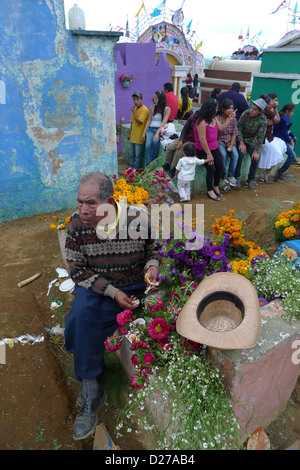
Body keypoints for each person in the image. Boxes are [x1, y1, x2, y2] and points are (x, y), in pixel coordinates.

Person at [64, 172, 161, 440]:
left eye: (91, 203)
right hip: (100, 288)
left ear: (109, 201)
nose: (83, 209)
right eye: (80, 201)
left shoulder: (137, 218)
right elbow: (77, 270)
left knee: (165, 314)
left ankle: (81, 340)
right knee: (81, 316)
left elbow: (154, 248)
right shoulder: (76, 226)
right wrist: (112, 291)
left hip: (136, 287)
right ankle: (92, 386)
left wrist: (152, 266)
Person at [194, 98, 237, 201]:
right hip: (203, 150)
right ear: (211, 109)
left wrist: (229, 120)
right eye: (216, 108)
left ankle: (216, 186)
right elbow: (202, 139)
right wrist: (209, 155)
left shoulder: (214, 118)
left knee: (220, 167)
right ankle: (209, 190)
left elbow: (221, 128)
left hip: (214, 147)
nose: (217, 110)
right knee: (211, 169)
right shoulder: (201, 122)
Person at [235, 98, 268, 189]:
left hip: (252, 141)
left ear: (260, 111)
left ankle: (250, 180)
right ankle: (237, 177)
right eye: (252, 108)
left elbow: (260, 136)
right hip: (241, 138)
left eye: (254, 109)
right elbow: (238, 128)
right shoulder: (245, 114)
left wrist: (256, 151)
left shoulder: (263, 120)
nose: (251, 110)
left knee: (255, 158)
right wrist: (241, 142)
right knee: (240, 154)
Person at [163, 109, 201, 177]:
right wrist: (180, 140)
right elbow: (185, 129)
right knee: (169, 147)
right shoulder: (192, 117)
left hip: (192, 142)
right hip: (185, 138)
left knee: (180, 151)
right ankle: (167, 164)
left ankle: (174, 169)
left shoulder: (203, 122)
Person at [257, 93, 285, 184]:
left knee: (281, 147)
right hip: (264, 138)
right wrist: (276, 109)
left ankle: (266, 174)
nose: (274, 102)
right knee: (276, 152)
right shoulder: (266, 111)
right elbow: (277, 120)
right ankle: (266, 174)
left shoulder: (268, 110)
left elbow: (274, 121)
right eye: (273, 101)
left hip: (269, 137)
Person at [142, 91, 171, 166]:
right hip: (151, 129)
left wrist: (157, 133)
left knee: (155, 143)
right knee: (148, 145)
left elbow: (164, 122)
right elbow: (148, 120)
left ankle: (153, 162)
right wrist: (144, 132)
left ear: (160, 100)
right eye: (154, 98)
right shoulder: (152, 107)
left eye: (156, 98)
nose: (154, 100)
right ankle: (149, 164)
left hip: (159, 129)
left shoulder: (167, 109)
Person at [216, 99, 239, 187]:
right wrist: (227, 122)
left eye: (232, 108)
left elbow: (234, 133)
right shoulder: (217, 119)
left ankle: (230, 176)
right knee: (223, 154)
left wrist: (231, 145)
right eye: (228, 108)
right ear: (223, 109)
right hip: (220, 140)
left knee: (235, 155)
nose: (230, 110)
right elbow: (218, 134)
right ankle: (223, 174)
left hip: (229, 141)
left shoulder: (234, 120)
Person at [273, 103, 297, 183]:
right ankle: (281, 172)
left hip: (280, 139)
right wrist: (290, 140)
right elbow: (284, 132)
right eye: (292, 112)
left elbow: (287, 131)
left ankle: (281, 172)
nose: (292, 114)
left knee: (292, 155)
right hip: (279, 140)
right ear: (287, 111)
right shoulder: (283, 118)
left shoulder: (282, 116)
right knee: (292, 155)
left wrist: (292, 136)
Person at [127, 91, 149, 171]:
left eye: (137, 99)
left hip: (139, 137)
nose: (135, 102)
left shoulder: (144, 109)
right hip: (133, 136)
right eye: (134, 100)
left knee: (138, 156)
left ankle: (136, 169)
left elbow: (139, 122)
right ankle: (131, 167)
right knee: (131, 154)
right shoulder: (135, 109)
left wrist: (133, 112)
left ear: (142, 99)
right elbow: (132, 122)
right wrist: (129, 134)